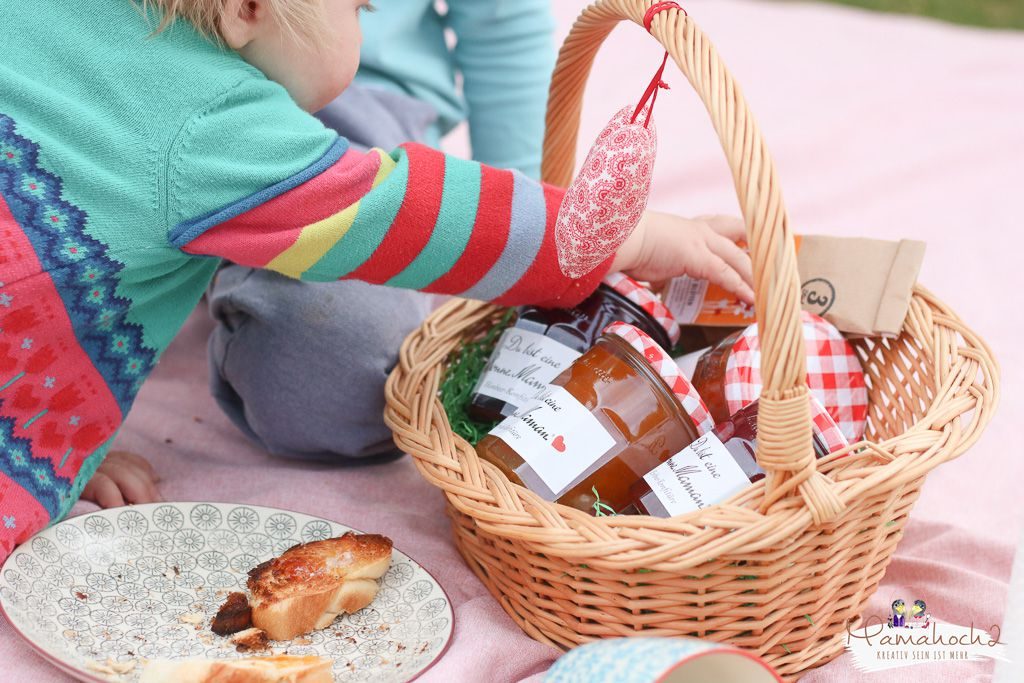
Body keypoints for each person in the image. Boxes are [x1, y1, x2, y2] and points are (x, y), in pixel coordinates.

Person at [0, 0, 753, 560]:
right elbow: (406, 212)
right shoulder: (222, 125)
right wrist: (629, 232)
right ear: (246, 10)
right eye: (360, 7)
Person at [205, 0, 562, 463]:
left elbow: (503, 22)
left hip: (355, 107)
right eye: (360, 9)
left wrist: (519, 240)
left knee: (338, 375)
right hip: (162, 95)